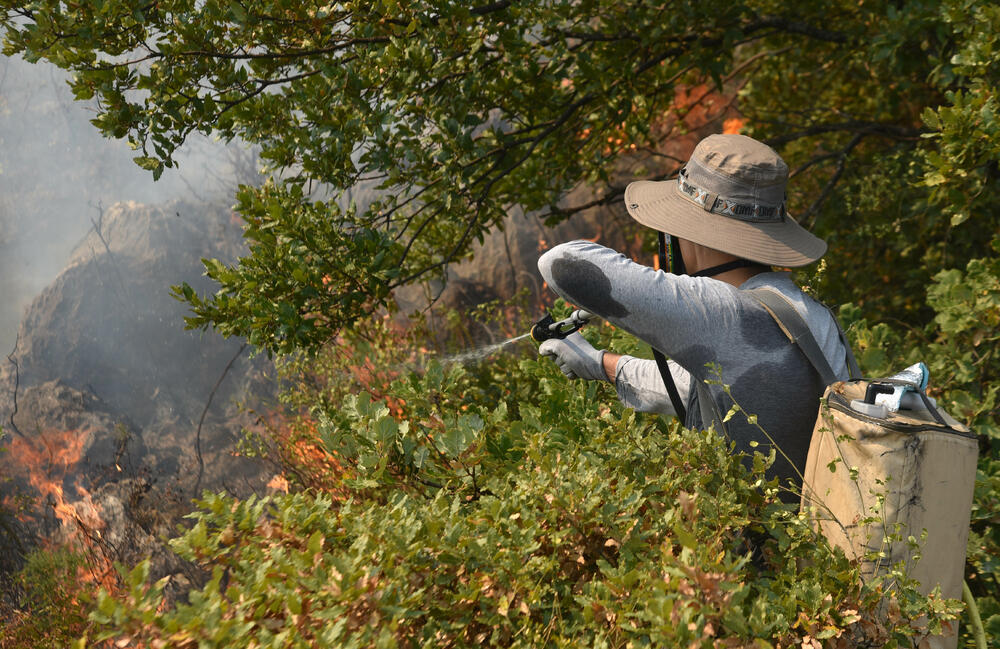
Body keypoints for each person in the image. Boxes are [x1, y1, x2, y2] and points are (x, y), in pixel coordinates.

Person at [537, 133, 853, 492]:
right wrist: (600, 363)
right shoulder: (807, 313)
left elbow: (560, 261)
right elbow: (699, 386)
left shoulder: (719, 312)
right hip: (820, 536)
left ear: (694, 232)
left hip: (752, 544)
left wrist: (656, 285)